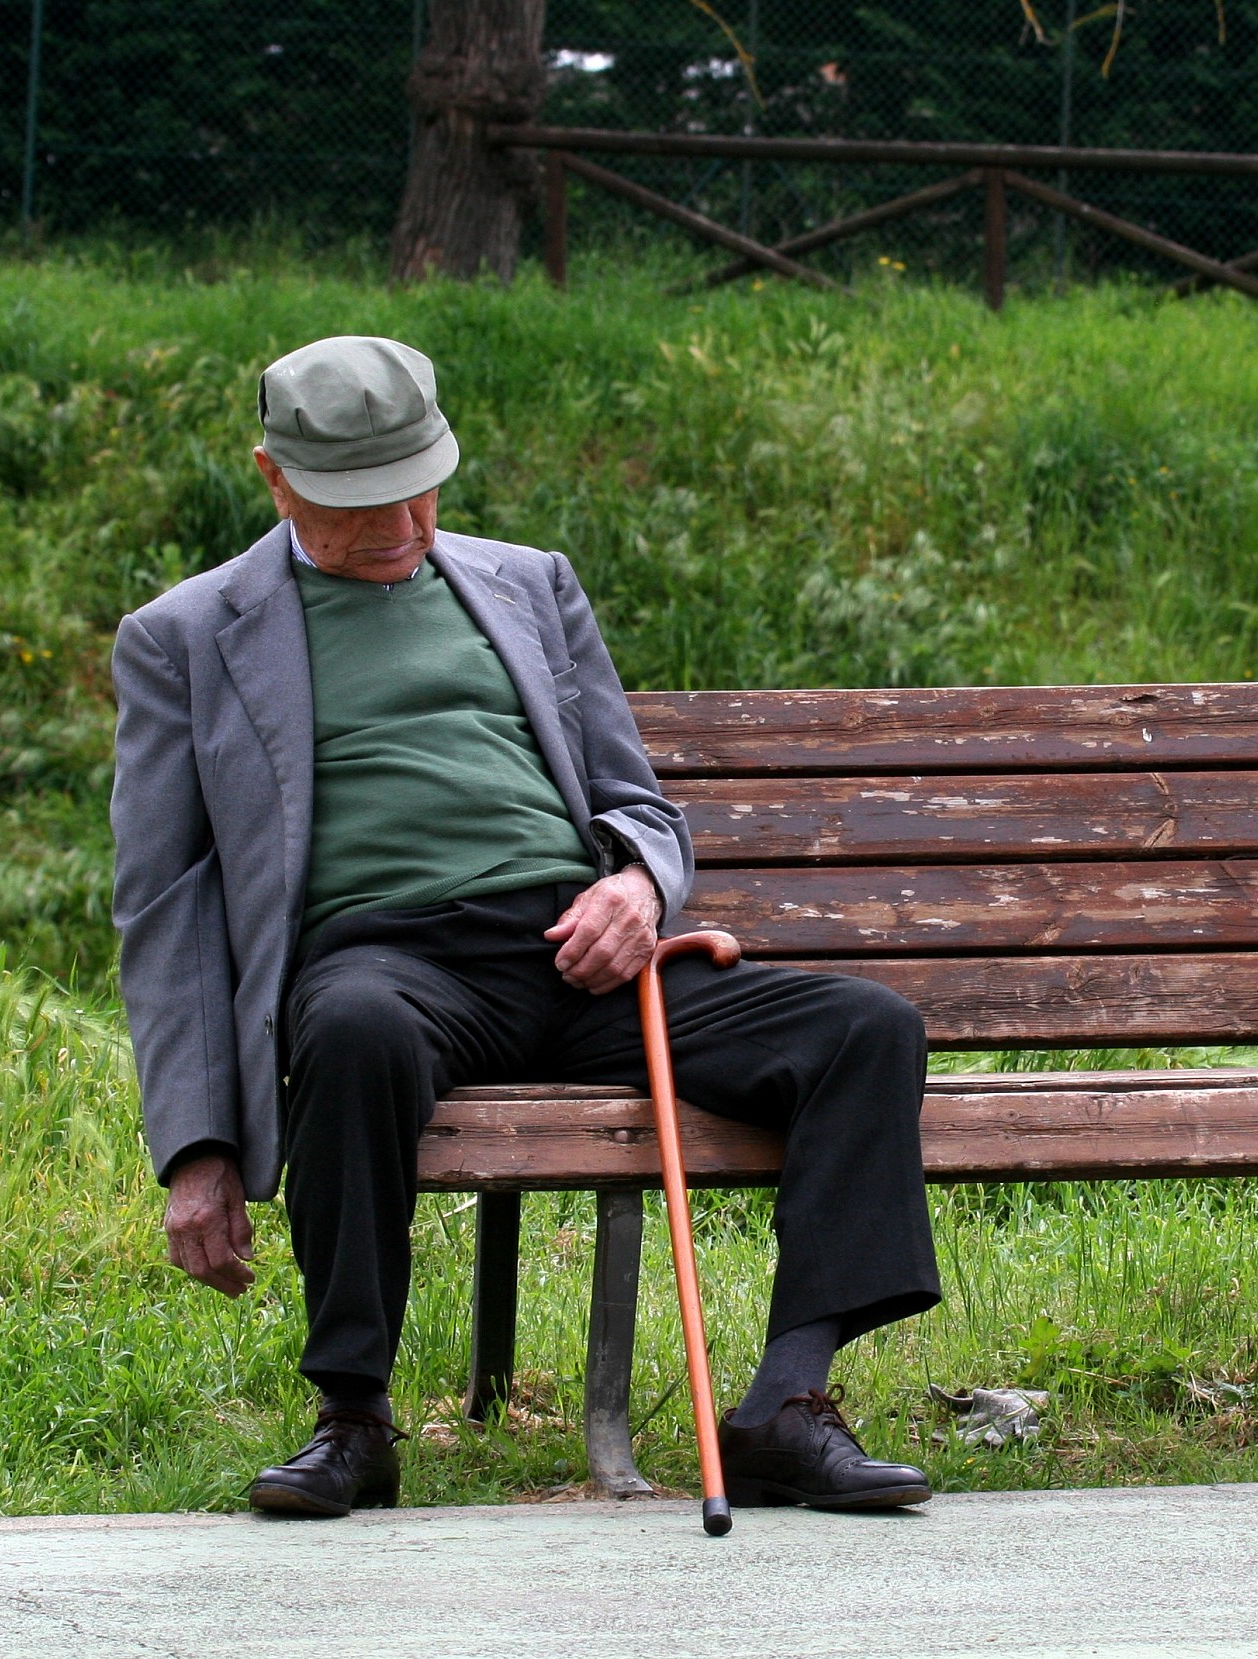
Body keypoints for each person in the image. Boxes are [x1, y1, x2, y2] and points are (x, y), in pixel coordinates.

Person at [111, 335, 937, 1517]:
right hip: (387, 964)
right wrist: (196, 1148)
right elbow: (166, 902)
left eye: (417, 489)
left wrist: (639, 888)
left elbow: (638, 805)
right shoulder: (185, 638)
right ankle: (354, 1419)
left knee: (864, 1029)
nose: (398, 525)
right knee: (346, 1031)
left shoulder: (527, 582)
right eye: (359, 505)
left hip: (579, 954)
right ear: (274, 477)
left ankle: (783, 1408)